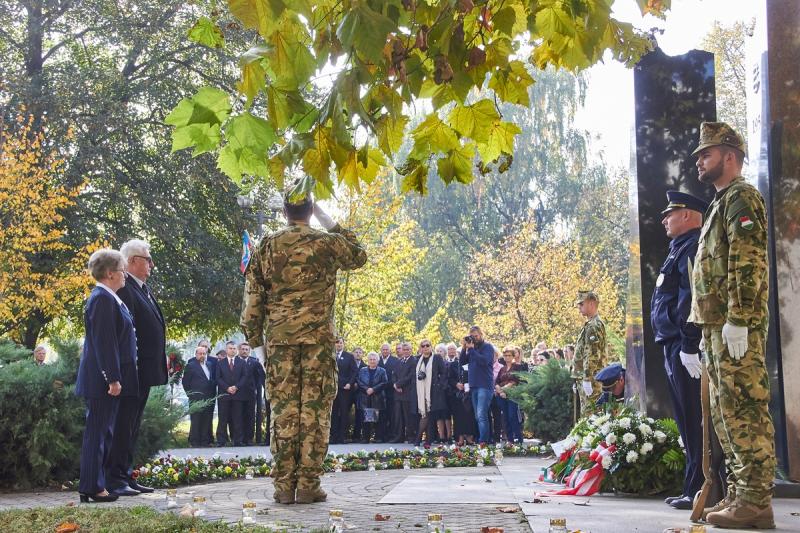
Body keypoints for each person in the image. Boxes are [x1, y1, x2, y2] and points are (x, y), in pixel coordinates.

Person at [240, 190, 366, 505]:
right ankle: (309, 485)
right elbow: (359, 254)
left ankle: (284, 488)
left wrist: (258, 346)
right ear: (311, 210)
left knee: (283, 414)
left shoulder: (267, 245)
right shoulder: (326, 243)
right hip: (319, 345)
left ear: (283, 211)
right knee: (314, 413)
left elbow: (252, 299)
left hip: (280, 343)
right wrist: (328, 220)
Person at [688, 122, 775, 528]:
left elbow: (748, 260)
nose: (700, 162)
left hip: (736, 326)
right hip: (717, 327)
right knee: (726, 413)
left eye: (706, 154)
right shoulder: (722, 203)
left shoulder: (742, 198)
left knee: (745, 409)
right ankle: (742, 493)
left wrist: (739, 318)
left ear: (729, 155)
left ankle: (757, 500)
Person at [650, 190, 708, 510]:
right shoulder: (679, 248)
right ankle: (692, 486)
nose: (664, 220)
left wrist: (689, 343)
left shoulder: (693, 247)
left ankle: (701, 488)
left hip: (684, 347)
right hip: (673, 345)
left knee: (694, 417)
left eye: (670, 214)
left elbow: (691, 299)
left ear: (687, 216)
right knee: (687, 421)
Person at [75, 249, 136, 503]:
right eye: (122, 271)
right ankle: (92, 487)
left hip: (104, 379)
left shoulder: (109, 297)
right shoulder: (102, 298)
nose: (125, 276)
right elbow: (105, 343)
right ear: (110, 273)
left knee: (103, 433)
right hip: (101, 381)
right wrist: (112, 378)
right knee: (97, 434)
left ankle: (94, 485)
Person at [107, 239, 166, 497]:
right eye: (147, 258)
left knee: (132, 425)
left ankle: (126, 474)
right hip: (132, 371)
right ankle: (115, 478)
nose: (151, 263)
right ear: (132, 261)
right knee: (122, 425)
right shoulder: (125, 289)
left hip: (143, 372)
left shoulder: (141, 288)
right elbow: (124, 334)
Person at [571, 290, 608, 417]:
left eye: (581, 304)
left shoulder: (593, 326)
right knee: (589, 414)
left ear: (592, 304)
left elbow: (592, 354)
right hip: (589, 377)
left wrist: (587, 378)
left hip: (592, 378)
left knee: (590, 415)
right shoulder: (592, 324)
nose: (579, 308)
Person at [459, 326, 495, 444]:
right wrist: (465, 347)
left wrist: (472, 350)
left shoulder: (487, 347)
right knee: (478, 416)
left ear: (481, 334)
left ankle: (483, 441)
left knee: (481, 414)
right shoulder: (471, 349)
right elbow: (462, 361)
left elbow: (484, 361)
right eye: (472, 336)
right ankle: (486, 440)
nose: (474, 338)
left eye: (476, 336)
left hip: (484, 385)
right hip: (474, 385)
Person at [182, 345, 217, 447]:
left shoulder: (209, 364)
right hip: (196, 398)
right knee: (196, 420)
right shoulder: (191, 365)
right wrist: (190, 395)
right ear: (196, 354)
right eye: (200, 353)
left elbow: (210, 379)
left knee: (207, 419)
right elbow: (185, 382)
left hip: (208, 397)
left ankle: (205, 441)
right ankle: (195, 441)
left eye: (204, 354)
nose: (202, 355)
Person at [414, 339, 447, 445]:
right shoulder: (418, 360)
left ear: (431, 346)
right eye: (422, 346)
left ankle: (419, 439)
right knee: (427, 415)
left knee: (429, 415)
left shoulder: (437, 358)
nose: (425, 347)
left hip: (434, 391)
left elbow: (444, 373)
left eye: (427, 345)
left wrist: (439, 385)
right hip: (422, 391)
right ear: (420, 348)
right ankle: (426, 440)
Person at [215, 341, 248, 446]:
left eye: (234, 348)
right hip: (224, 395)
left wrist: (236, 387)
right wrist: (227, 388)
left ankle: (237, 440)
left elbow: (244, 377)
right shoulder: (220, 363)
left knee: (237, 418)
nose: (232, 350)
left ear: (236, 350)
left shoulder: (242, 362)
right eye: (230, 348)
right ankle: (221, 440)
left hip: (238, 395)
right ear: (226, 349)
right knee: (223, 418)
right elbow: (218, 378)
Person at [331, 338, 358, 444]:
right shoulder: (331, 355)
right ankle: (333, 436)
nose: (338, 345)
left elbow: (354, 372)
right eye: (337, 343)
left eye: (340, 343)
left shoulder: (349, 356)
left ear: (343, 344)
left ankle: (342, 436)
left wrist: (349, 383)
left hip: (345, 389)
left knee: (343, 413)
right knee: (333, 413)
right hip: (333, 388)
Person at [356, 352, 388, 443]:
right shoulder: (362, 370)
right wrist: (367, 389)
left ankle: (378, 437)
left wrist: (373, 389)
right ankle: (365, 438)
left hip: (377, 397)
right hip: (365, 397)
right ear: (368, 360)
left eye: (374, 359)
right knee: (365, 418)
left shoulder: (382, 371)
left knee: (379, 419)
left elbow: (384, 382)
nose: (372, 361)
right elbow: (358, 381)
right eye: (370, 359)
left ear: (378, 361)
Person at [496, 346, 524, 443]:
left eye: (509, 355)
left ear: (513, 356)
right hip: (501, 396)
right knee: (505, 417)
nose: (507, 357)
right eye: (505, 355)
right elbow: (497, 382)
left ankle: (518, 438)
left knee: (513, 416)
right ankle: (510, 440)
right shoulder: (502, 369)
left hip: (512, 395)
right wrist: (499, 390)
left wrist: (504, 390)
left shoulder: (517, 367)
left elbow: (515, 381)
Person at [391, 342, 418, 443]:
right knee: (398, 416)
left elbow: (410, 376)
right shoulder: (399, 361)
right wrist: (395, 384)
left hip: (407, 392)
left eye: (408, 349)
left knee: (408, 416)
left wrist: (399, 384)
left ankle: (411, 436)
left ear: (411, 350)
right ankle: (399, 436)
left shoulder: (414, 361)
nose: (406, 351)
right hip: (398, 393)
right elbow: (394, 374)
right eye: (404, 349)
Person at [377, 342, 399, 443]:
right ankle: (381, 436)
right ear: (381, 351)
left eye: (387, 349)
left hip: (391, 391)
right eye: (383, 349)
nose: (385, 351)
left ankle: (391, 435)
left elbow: (396, 375)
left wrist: (390, 384)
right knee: (381, 415)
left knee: (392, 414)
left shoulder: (395, 360)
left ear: (390, 350)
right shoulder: (377, 360)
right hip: (379, 392)